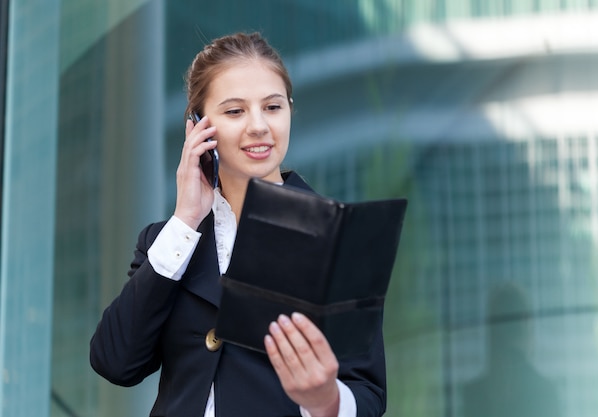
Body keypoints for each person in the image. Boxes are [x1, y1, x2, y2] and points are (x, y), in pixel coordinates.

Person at [89, 32, 386, 417]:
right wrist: (186, 220)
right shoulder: (168, 242)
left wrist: (325, 401)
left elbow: (368, 393)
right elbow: (115, 362)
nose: (259, 126)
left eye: (273, 107)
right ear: (197, 126)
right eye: (235, 111)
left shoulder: (337, 237)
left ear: (290, 111)